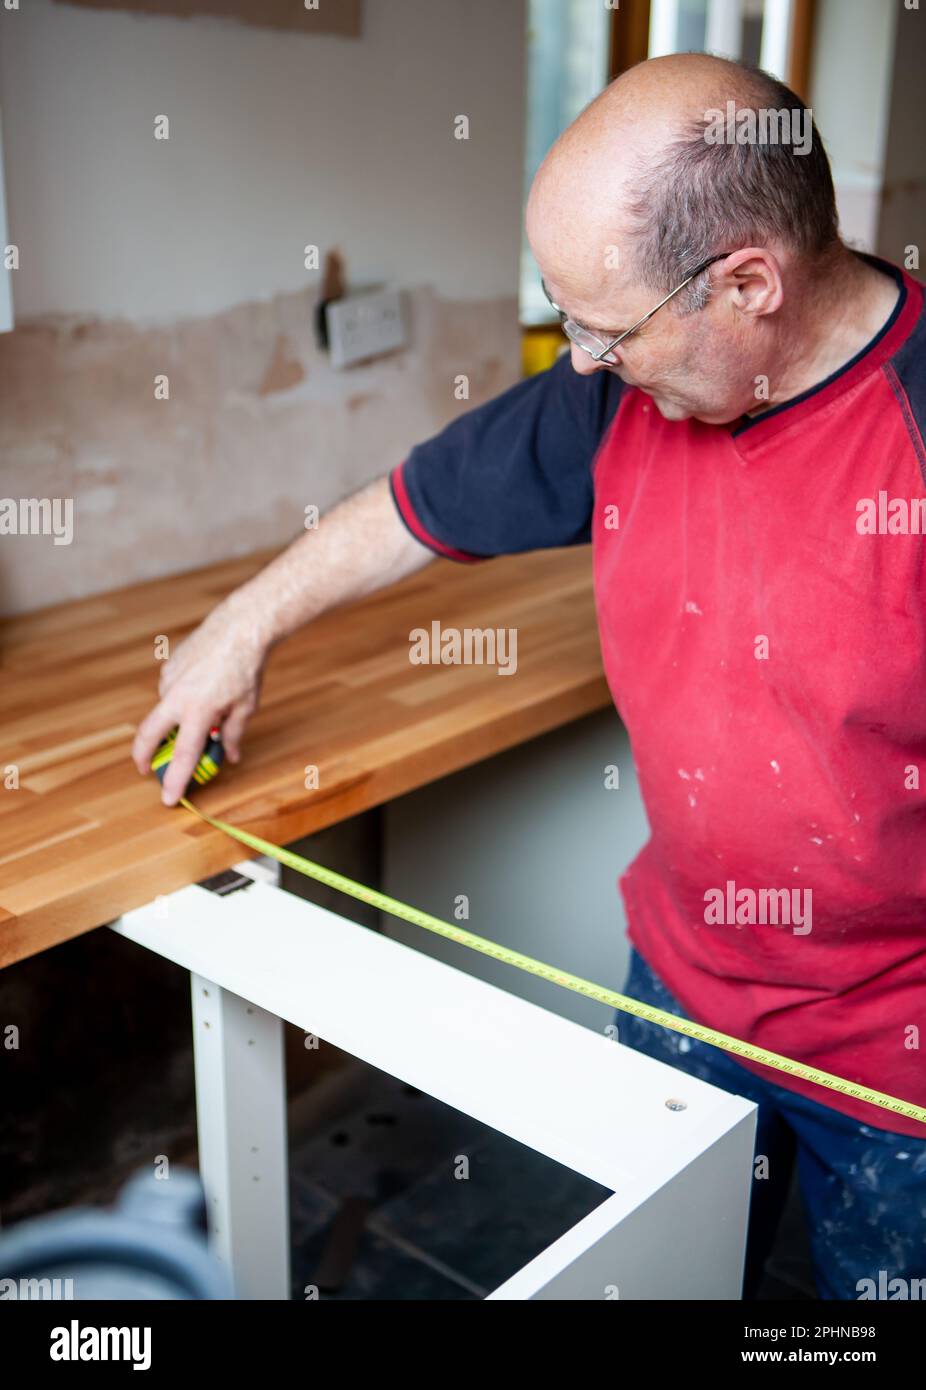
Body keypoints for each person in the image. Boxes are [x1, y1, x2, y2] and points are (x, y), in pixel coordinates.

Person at [133, 54, 926, 1300]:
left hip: (895, 1064)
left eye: (603, 328)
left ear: (747, 284)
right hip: (682, 989)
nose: (578, 363)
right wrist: (241, 625)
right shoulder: (616, 399)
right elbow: (416, 504)